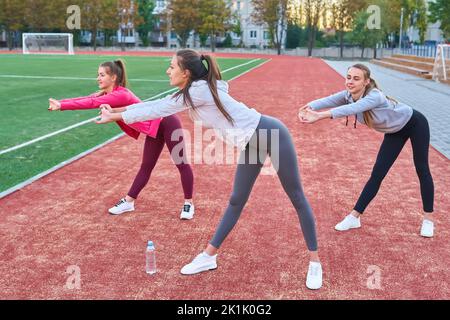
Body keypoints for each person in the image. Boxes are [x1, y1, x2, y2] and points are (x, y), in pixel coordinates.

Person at [95, 49, 323, 290]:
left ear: (186, 72)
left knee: (296, 196)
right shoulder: (196, 90)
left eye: (171, 67)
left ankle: (315, 262)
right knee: (236, 200)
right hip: (251, 142)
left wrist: (117, 116)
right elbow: (159, 105)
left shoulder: (198, 91)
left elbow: (160, 108)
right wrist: (118, 113)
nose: (167, 71)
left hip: (272, 135)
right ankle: (209, 256)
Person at [299, 64, 434, 238]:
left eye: (356, 78)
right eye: (348, 77)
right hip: (394, 131)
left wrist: (320, 116)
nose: (350, 82)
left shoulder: (374, 96)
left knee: (422, 169)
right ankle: (355, 217)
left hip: (415, 123)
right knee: (377, 174)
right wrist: (308, 107)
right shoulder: (348, 95)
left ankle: (428, 219)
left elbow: (351, 109)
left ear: (366, 81)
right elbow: (329, 100)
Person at [48, 59, 195, 219]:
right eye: (98, 75)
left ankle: (188, 203)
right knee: (146, 166)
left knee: (181, 163)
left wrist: (62, 105)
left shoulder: (120, 94)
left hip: (167, 121)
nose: (98, 78)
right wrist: (62, 103)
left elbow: (91, 102)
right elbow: (89, 98)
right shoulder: (110, 94)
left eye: (102, 75)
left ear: (113, 77)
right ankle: (129, 202)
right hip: (154, 128)